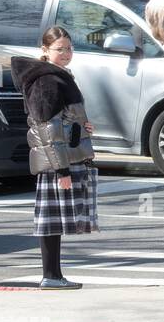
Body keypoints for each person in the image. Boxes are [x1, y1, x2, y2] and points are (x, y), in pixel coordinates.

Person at [11, 27, 100, 290]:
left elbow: (62, 120)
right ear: (45, 51)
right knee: (51, 220)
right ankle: (50, 275)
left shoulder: (58, 76)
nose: (65, 53)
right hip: (56, 161)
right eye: (59, 49)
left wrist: (81, 126)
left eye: (69, 48)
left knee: (55, 221)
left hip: (61, 157)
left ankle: (54, 275)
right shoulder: (47, 80)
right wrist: (62, 170)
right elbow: (46, 129)